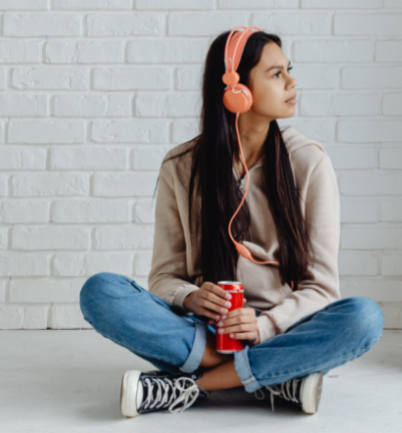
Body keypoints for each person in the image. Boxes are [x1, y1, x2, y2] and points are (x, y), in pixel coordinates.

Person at [79, 27, 385, 419]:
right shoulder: (182, 166)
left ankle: (192, 385)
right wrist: (190, 297)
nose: (292, 82)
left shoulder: (309, 162)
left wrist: (265, 327)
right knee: (100, 291)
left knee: (364, 318)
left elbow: (321, 288)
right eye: (276, 74)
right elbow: (164, 279)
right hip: (203, 330)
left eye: (288, 70)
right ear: (235, 89)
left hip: (282, 330)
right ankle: (276, 377)